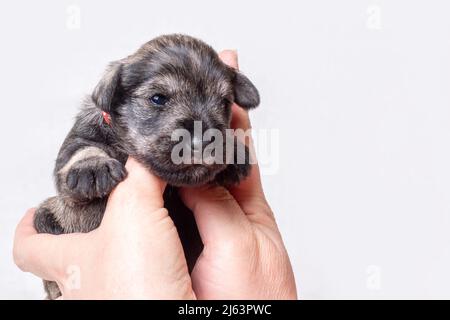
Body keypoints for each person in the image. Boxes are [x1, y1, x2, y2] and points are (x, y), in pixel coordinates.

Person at [12, 51, 297, 299]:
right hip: (84, 243)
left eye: (221, 103)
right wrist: (88, 160)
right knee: (45, 216)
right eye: (159, 99)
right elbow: (70, 172)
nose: (199, 139)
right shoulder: (97, 122)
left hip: (184, 264)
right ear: (114, 98)